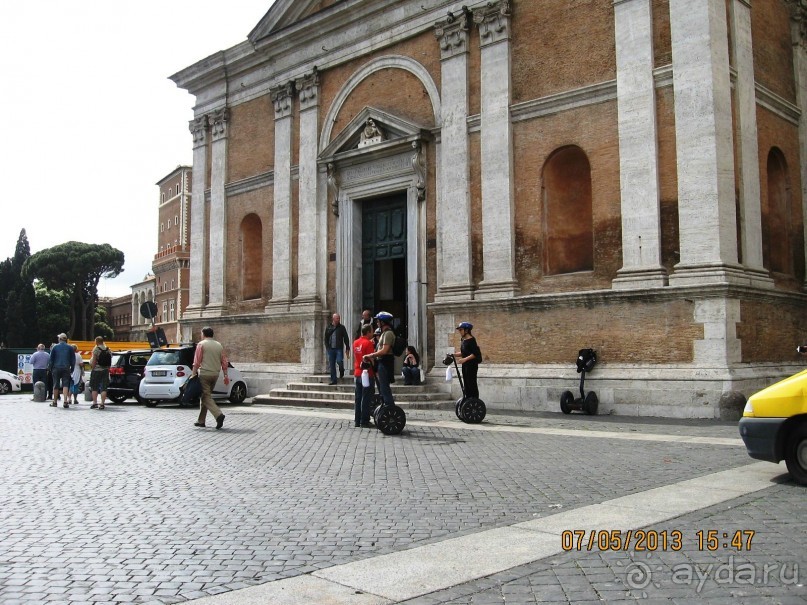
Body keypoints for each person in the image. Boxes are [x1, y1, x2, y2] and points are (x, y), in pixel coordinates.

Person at [190, 326, 229, 429]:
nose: (200, 335)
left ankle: (218, 415)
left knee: (206, 397)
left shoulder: (201, 345)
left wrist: (193, 374)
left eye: (201, 333)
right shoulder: (219, 345)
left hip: (204, 374)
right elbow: (224, 362)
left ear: (204, 334)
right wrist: (225, 375)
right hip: (215, 374)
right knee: (205, 396)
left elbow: (197, 361)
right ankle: (201, 421)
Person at [364, 311, 396, 406]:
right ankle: (386, 406)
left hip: (386, 362)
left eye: (378, 321)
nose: (377, 323)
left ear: (383, 322)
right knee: (382, 387)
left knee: (384, 388)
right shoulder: (383, 333)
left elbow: (384, 350)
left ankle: (390, 407)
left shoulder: (388, 334)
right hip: (382, 362)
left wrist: (370, 355)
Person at [352, 323, 376, 428]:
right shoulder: (368, 343)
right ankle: (364, 420)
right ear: (368, 332)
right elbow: (371, 358)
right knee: (366, 397)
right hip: (367, 373)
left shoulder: (355, 343)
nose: (373, 332)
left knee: (358, 397)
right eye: (372, 331)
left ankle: (357, 420)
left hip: (357, 373)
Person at [454, 322, 481, 399]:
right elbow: (464, 353)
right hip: (465, 365)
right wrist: (453, 355)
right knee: (466, 382)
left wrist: (464, 359)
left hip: (472, 365)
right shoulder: (463, 340)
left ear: (466, 330)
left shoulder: (472, 340)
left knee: (471, 382)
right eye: (459, 330)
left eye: (461, 330)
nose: (459, 331)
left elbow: (475, 354)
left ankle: (474, 399)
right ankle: (467, 397)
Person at [48, 333, 75, 408]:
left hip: (56, 368)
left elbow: (51, 359)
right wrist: (72, 368)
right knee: (65, 384)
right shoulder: (70, 348)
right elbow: (73, 360)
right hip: (66, 368)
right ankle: (65, 401)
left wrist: (50, 368)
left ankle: (55, 402)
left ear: (59, 339)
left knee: (55, 385)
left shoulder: (55, 347)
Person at [324, 313, 350, 385]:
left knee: (339, 361)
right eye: (337, 318)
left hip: (338, 348)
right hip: (331, 349)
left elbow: (346, 337)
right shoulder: (328, 327)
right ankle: (333, 380)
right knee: (332, 365)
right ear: (333, 319)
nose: (338, 320)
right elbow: (326, 338)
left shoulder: (342, 327)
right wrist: (327, 347)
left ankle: (341, 370)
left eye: (339, 318)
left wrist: (347, 347)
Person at [90, 336, 112, 409]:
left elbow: (94, 361)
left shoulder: (96, 349)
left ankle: (95, 403)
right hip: (105, 370)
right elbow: (109, 361)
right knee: (104, 388)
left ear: (96, 342)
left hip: (96, 370)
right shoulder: (108, 349)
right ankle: (102, 403)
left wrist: (93, 368)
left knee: (94, 387)